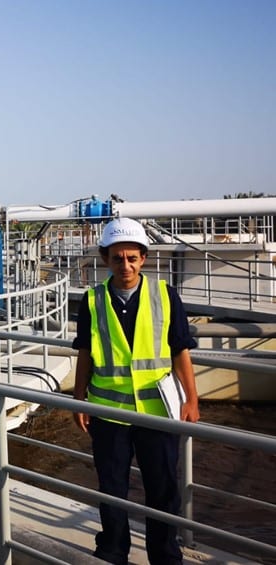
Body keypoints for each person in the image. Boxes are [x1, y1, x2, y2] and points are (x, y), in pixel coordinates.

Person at [71, 217, 200, 565]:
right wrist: (78, 398)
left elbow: (180, 349)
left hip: (157, 412)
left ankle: (165, 554)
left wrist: (191, 398)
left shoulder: (164, 295)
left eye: (132, 258)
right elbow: (85, 351)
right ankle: (113, 550)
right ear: (105, 260)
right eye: (117, 258)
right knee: (112, 489)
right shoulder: (93, 300)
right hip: (108, 412)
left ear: (143, 258)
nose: (125, 265)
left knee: (162, 490)